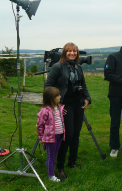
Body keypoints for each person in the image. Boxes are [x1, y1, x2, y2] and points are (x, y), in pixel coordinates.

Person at [44, 42, 91, 180]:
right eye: (69, 51)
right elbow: (48, 87)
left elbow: (83, 84)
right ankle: (60, 166)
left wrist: (87, 98)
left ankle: (72, 162)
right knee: (67, 136)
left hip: (79, 104)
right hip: (65, 106)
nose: (72, 53)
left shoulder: (78, 67)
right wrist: (56, 104)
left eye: (74, 51)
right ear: (64, 53)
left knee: (76, 134)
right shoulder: (58, 67)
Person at [37, 87, 65, 182]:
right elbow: (40, 126)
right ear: (51, 99)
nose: (60, 96)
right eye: (58, 95)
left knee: (55, 154)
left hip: (59, 136)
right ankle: (51, 176)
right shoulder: (45, 111)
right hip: (50, 138)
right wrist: (42, 139)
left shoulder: (59, 107)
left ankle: (51, 171)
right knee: (51, 156)